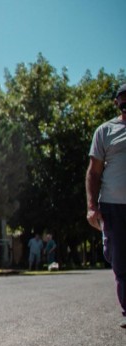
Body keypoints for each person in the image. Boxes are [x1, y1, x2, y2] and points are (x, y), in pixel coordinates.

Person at [86, 82, 126, 329]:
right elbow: (94, 172)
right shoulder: (105, 131)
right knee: (119, 259)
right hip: (113, 206)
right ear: (117, 103)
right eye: (124, 101)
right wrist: (92, 206)